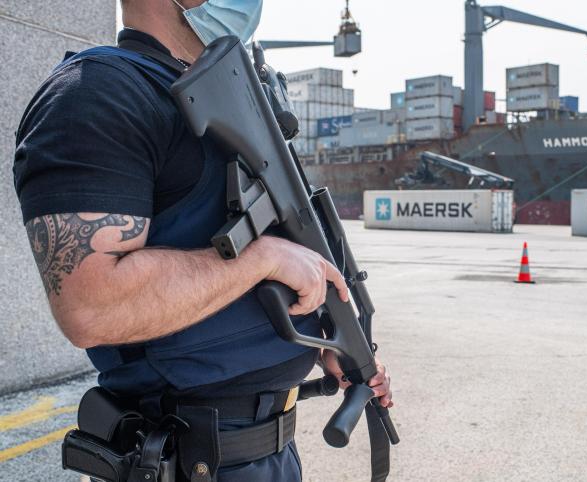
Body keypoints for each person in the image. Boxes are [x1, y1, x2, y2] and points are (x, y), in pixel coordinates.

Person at [12, 1, 392, 480]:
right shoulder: (98, 95)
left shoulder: (228, 104)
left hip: (268, 453)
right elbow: (90, 308)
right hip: (184, 458)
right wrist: (262, 260)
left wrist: (326, 337)